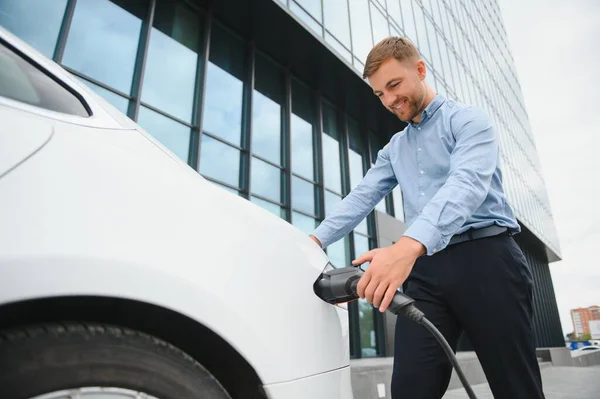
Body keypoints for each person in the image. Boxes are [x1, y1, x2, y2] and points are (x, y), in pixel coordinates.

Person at [309, 37, 545, 399]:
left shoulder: (469, 122)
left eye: (394, 85)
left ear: (419, 70)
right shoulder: (394, 149)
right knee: (409, 389)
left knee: (516, 387)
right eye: (379, 94)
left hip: (488, 260)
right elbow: (361, 196)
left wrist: (404, 248)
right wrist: (313, 241)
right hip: (426, 271)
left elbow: (466, 184)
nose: (389, 100)